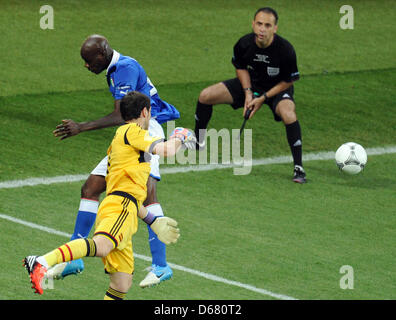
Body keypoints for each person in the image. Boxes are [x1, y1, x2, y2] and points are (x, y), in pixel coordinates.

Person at [23, 91, 195, 299]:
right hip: (119, 208)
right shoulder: (133, 130)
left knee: (122, 283)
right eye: (150, 113)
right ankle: (41, 261)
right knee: (102, 246)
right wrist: (179, 136)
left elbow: (131, 194)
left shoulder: (123, 140)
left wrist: (153, 221)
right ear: (144, 111)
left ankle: (44, 262)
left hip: (125, 208)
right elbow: (166, 150)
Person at [50, 35, 181, 287]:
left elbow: (122, 115)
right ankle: (74, 259)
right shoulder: (115, 70)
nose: (86, 66)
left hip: (146, 130)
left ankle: (161, 266)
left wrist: (81, 127)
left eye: (88, 61)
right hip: (129, 133)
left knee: (146, 195)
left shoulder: (125, 69)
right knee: (90, 188)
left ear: (102, 54)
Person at [194, 7, 306, 183]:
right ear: (253, 24)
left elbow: (288, 81)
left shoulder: (285, 50)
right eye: (259, 24)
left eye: (267, 25)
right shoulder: (244, 44)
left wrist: (262, 98)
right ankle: (197, 141)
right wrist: (248, 93)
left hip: (278, 88)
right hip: (251, 84)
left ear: (275, 28)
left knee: (288, 114)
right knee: (206, 95)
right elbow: (241, 68)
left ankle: (298, 168)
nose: (262, 29)